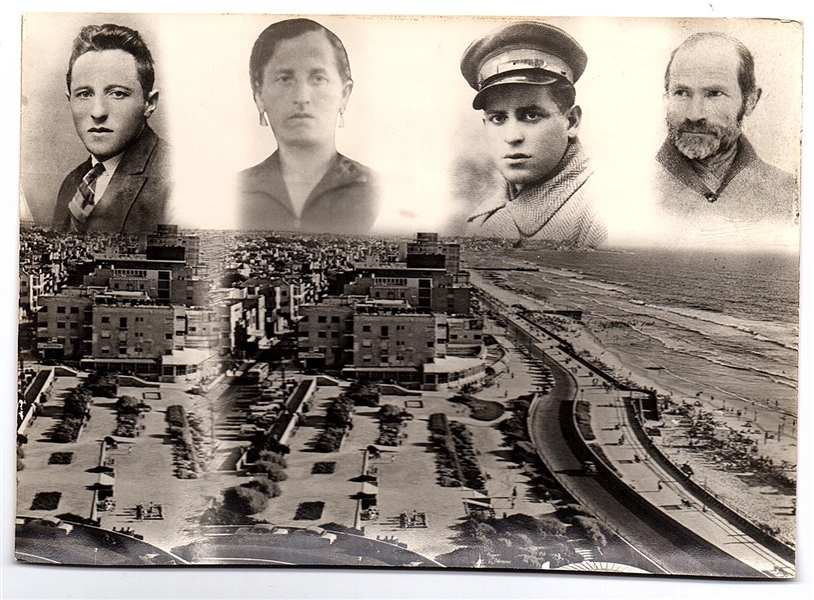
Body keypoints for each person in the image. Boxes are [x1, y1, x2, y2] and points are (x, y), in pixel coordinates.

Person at [460, 22, 606, 248]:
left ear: (571, 122)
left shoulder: (604, 211)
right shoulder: (482, 219)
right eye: (498, 118)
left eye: (530, 116)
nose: (512, 137)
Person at [239, 18, 380, 234]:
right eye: (285, 79)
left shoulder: (378, 190)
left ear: (344, 95)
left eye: (318, 78)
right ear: (259, 96)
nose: (302, 97)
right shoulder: (233, 192)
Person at [656, 32, 798, 225]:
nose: (694, 114)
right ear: (667, 98)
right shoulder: (629, 187)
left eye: (714, 94)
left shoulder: (791, 194)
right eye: (681, 93)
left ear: (749, 101)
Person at [52, 24, 171, 234]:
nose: (98, 112)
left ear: (149, 103)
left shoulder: (176, 179)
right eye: (84, 94)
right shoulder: (73, 183)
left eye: (117, 94)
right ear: (70, 100)